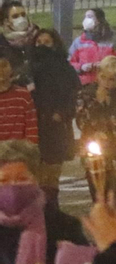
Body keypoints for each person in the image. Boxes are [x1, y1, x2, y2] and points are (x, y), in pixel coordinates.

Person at [75, 55, 116, 198]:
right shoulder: (85, 97)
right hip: (95, 159)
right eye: (104, 77)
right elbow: (82, 122)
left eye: (112, 79)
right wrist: (98, 103)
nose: (107, 83)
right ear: (98, 75)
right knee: (99, 198)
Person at [31, 28, 81, 204]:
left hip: (55, 130)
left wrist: (61, 113)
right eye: (39, 43)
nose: (42, 47)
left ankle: (51, 213)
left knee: (51, 180)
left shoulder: (64, 69)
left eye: (47, 43)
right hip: (34, 129)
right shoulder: (30, 68)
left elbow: (73, 95)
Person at [68, 8, 116, 85]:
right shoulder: (78, 42)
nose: (86, 20)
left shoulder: (113, 41)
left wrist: (105, 65)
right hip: (84, 85)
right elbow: (70, 63)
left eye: (90, 17)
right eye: (85, 17)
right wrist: (81, 67)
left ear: (99, 20)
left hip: (106, 85)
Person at [0, 54, 40, 146]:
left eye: (4, 65)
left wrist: (29, 152)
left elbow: (32, 128)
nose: (1, 70)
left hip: (18, 153)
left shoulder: (23, 95)